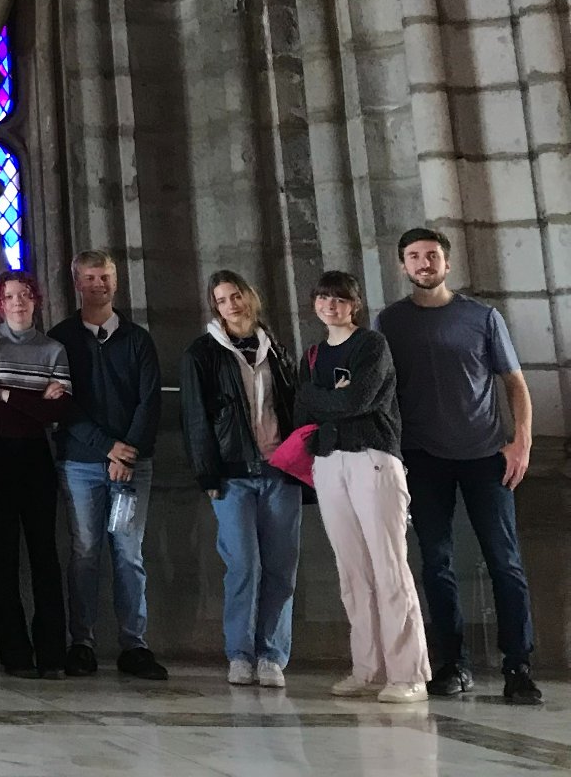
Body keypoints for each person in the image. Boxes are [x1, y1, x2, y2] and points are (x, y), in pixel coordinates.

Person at [377, 227, 542, 705]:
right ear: (402, 266)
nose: (424, 263)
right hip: (422, 457)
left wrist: (521, 442)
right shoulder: (390, 322)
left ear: (447, 264)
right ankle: (453, 664)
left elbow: (515, 382)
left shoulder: (482, 317)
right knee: (437, 563)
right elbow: (384, 393)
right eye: (414, 256)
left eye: (432, 256)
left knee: (505, 563)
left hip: (486, 455)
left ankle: (519, 666)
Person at [297, 270, 429, 704]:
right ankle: (366, 668)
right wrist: (332, 395)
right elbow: (302, 405)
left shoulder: (372, 345)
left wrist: (332, 398)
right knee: (352, 571)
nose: (329, 305)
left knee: (389, 566)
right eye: (322, 298)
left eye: (339, 298)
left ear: (353, 304)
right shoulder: (313, 355)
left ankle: (407, 673)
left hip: (372, 458)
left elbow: (358, 400)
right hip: (329, 463)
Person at [179, 269, 301, 688]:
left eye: (237, 295)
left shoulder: (277, 349)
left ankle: (272, 654)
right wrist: (206, 473)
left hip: (279, 470)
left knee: (282, 566)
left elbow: (294, 408)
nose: (232, 304)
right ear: (215, 307)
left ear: (251, 297)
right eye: (223, 299)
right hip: (231, 474)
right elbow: (196, 418)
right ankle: (239, 653)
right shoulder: (202, 353)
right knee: (244, 565)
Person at [49, 249, 167, 680]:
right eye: (91, 277)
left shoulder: (137, 339)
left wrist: (127, 451)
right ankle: (82, 642)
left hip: (133, 467)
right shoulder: (60, 338)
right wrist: (106, 448)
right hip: (81, 464)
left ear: (115, 282)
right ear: (77, 283)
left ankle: (134, 645)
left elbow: (149, 399)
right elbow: (63, 403)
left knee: (128, 553)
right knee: (84, 552)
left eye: (106, 277)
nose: (99, 284)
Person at [0, 269, 72, 679]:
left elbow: (59, 411)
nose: (18, 302)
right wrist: (34, 399)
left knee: (45, 554)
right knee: (4, 556)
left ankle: (51, 652)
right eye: (10, 296)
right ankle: (14, 653)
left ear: (36, 300)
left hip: (38, 459)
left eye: (26, 295)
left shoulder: (54, 349)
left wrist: (9, 392)